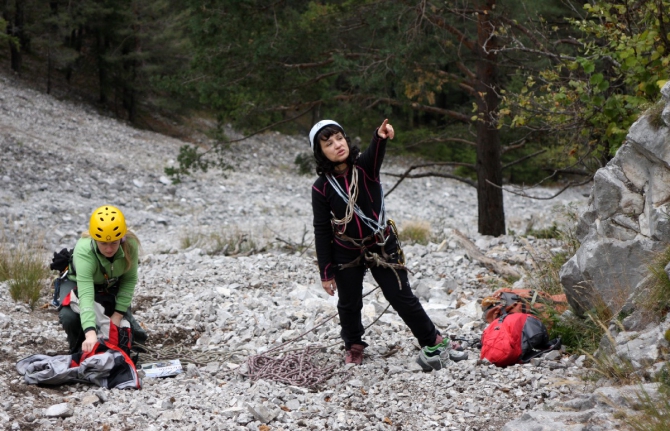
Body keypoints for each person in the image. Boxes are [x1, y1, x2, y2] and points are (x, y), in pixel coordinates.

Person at [309, 118, 466, 370]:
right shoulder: (321, 188)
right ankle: (354, 346)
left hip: (381, 244)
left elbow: (375, 151)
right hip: (346, 251)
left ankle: (432, 339)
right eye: (328, 143)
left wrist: (380, 136)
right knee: (349, 302)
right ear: (320, 152)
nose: (337, 145)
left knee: (401, 295)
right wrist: (326, 273)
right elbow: (321, 229)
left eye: (340, 138)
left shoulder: (365, 168)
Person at [58, 205, 147, 353]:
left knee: (127, 333)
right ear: (94, 239)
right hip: (78, 283)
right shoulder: (84, 251)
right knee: (69, 316)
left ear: (122, 238)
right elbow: (86, 294)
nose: (109, 249)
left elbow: (129, 280)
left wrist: (118, 315)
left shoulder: (130, 245)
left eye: (114, 242)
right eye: (103, 243)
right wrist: (90, 333)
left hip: (110, 284)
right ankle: (78, 348)